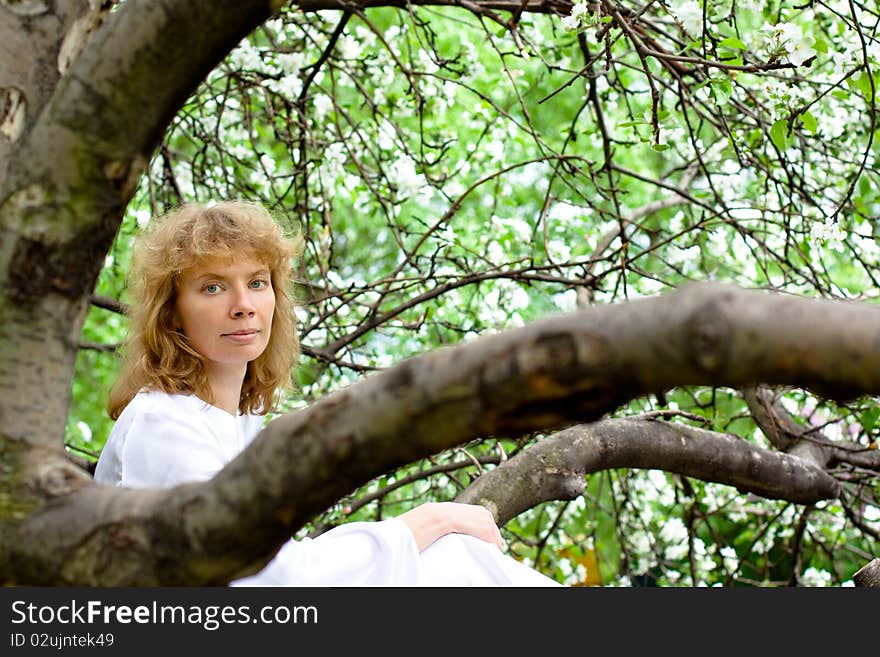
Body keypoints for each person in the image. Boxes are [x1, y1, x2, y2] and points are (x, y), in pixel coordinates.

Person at [94, 200, 561, 586]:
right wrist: (424, 523)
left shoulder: (238, 425)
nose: (243, 306)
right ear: (172, 314)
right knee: (447, 555)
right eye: (213, 287)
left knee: (452, 558)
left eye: (257, 283)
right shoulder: (163, 422)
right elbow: (272, 583)